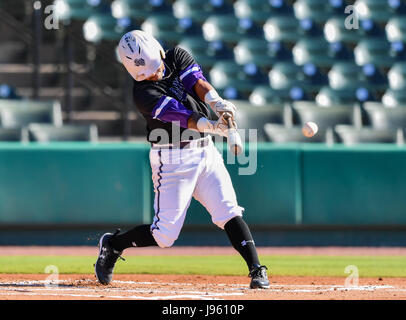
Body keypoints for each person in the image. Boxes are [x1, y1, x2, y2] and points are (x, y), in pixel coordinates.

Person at [94, 30, 269, 289]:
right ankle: (113, 245)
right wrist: (216, 126)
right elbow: (182, 117)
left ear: (159, 52)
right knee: (164, 235)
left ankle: (257, 269)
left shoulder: (176, 55)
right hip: (172, 159)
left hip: (205, 152)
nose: (152, 75)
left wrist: (217, 102)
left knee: (228, 210)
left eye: (154, 69)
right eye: (146, 73)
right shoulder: (143, 93)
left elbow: (197, 83)